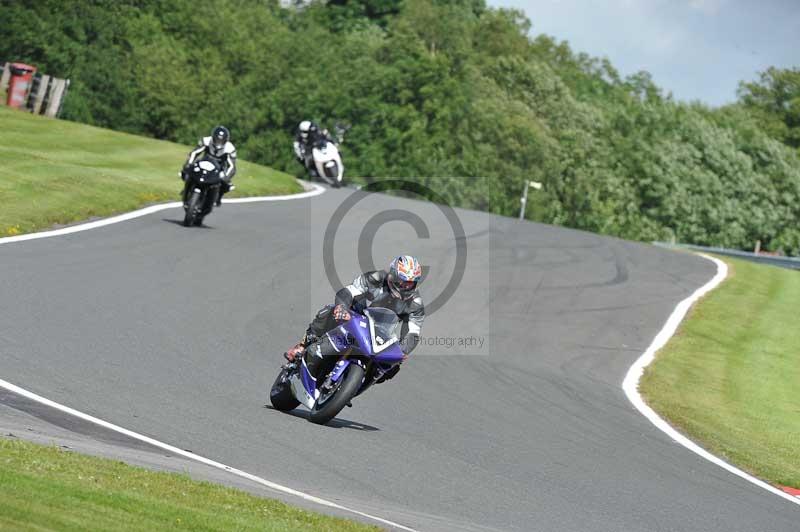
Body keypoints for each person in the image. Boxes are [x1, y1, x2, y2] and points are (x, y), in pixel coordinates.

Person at [285, 256, 425, 383]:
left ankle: (355, 384)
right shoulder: (375, 278)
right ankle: (302, 345)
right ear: (393, 275)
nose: (406, 285)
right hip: (354, 316)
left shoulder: (415, 303)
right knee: (330, 310)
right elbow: (349, 291)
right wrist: (342, 307)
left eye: (411, 283)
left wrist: (403, 350)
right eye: (402, 280)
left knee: (393, 365)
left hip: (381, 333)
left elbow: (413, 332)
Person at [182, 125, 237, 206]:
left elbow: (232, 166)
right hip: (204, 163)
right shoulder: (206, 140)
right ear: (213, 137)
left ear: (225, 140)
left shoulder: (230, 148)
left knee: (225, 184)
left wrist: (226, 176)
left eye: (221, 141)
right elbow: (194, 153)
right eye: (217, 140)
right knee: (186, 171)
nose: (218, 143)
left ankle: (218, 198)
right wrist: (189, 163)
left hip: (219, 168)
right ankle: (187, 190)